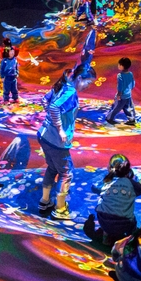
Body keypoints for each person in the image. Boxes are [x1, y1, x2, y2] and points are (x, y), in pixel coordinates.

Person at [37, 65, 85, 220]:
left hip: (43, 135)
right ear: (79, 78)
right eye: (88, 82)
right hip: (56, 141)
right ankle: (60, 209)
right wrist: (60, 129)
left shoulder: (61, 86)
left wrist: (50, 121)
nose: (88, 86)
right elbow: (54, 107)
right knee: (66, 173)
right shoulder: (70, 92)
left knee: (52, 167)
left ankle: (44, 201)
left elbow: (45, 100)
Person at [85, 154, 141, 245]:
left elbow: (94, 187)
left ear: (109, 168)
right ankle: (130, 239)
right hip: (125, 223)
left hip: (104, 221)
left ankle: (106, 238)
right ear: (128, 170)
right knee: (133, 218)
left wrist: (106, 176)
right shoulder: (131, 184)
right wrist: (139, 175)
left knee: (102, 202)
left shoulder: (106, 182)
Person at [105, 57, 136, 125]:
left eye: (119, 65)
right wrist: (130, 89)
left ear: (122, 66)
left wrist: (119, 94)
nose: (118, 66)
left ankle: (109, 118)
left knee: (116, 107)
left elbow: (120, 86)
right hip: (128, 95)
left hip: (122, 95)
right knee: (129, 107)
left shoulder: (120, 75)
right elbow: (133, 83)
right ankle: (132, 119)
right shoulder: (130, 74)